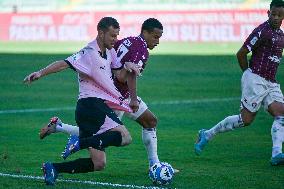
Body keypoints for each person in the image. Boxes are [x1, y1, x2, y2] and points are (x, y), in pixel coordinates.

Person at [39, 18, 178, 172]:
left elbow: (116, 66)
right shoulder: (141, 50)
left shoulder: (127, 41)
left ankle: (154, 164)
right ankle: (70, 135)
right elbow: (128, 76)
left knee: (149, 121)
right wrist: (133, 98)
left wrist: (125, 68)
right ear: (145, 32)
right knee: (112, 135)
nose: (157, 41)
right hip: (115, 97)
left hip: (116, 95)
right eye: (155, 37)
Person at [23, 17, 140, 185]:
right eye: (112, 36)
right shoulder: (89, 53)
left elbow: (120, 74)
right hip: (92, 105)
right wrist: (41, 73)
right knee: (125, 137)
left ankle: (54, 168)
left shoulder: (110, 51)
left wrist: (128, 65)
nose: (115, 40)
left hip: (90, 109)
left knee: (99, 163)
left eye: (117, 35)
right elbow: (64, 63)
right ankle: (81, 141)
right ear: (101, 33)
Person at [194, 0, 284, 166]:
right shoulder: (261, 31)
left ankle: (277, 153)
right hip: (255, 78)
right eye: (274, 14)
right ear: (268, 13)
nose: (276, 17)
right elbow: (241, 53)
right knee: (246, 120)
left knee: (282, 114)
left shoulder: (281, 35)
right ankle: (207, 134)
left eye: (280, 15)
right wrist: (248, 74)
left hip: (271, 82)